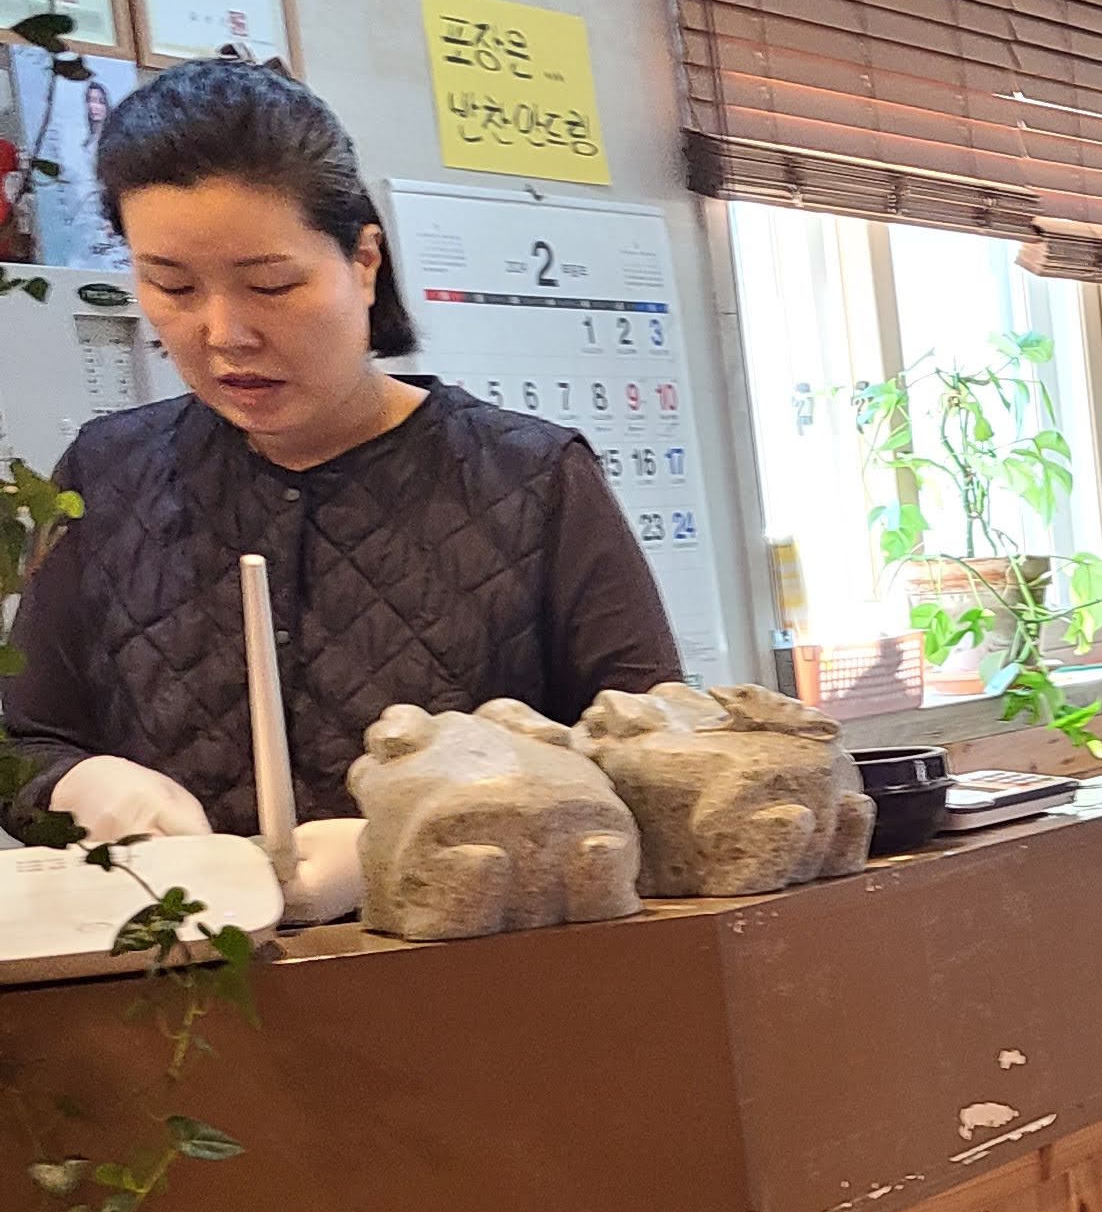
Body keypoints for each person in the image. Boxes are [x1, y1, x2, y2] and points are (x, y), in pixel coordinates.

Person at [15, 61, 681, 909]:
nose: (225, 333)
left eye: (271, 285)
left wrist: (410, 842)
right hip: (188, 976)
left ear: (363, 261)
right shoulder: (108, 475)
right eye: (172, 286)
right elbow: (25, 739)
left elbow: (651, 764)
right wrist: (79, 787)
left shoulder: (531, 479)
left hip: (470, 973)